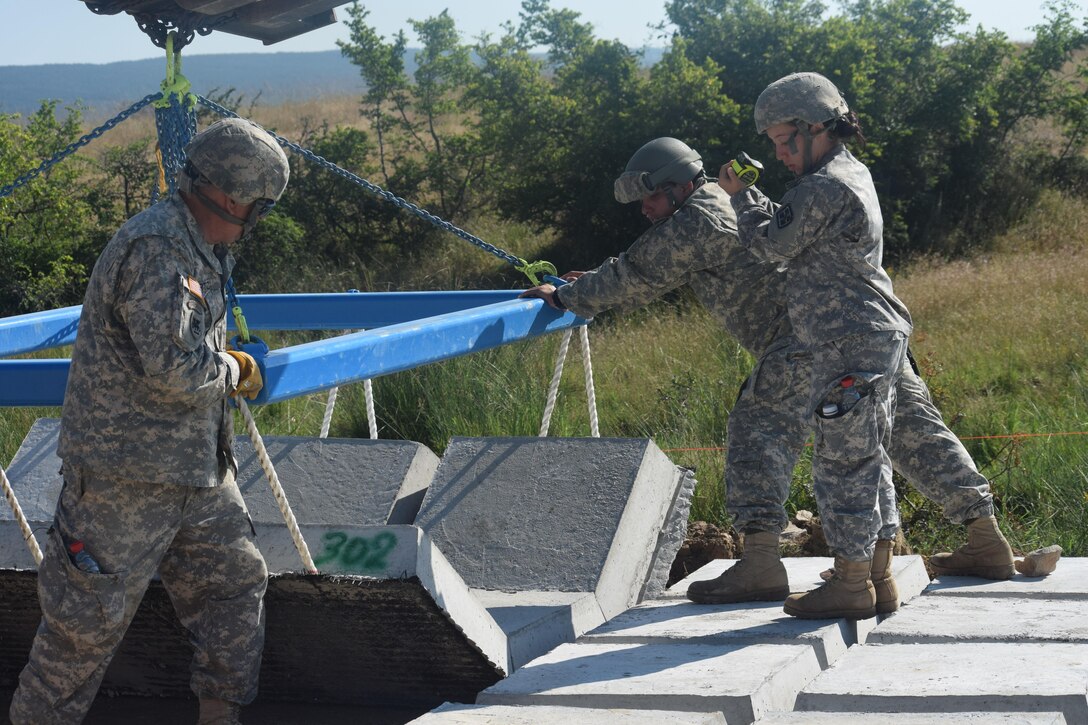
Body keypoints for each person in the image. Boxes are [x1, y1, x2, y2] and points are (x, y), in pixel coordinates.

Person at [521, 134, 1012, 615]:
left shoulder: (699, 218)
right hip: (863, 330)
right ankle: (985, 538)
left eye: (649, 197)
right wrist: (593, 281)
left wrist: (564, 297)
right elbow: (644, 263)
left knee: (757, 430)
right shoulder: (720, 204)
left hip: (804, 342)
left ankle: (760, 563)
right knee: (913, 431)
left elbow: (639, 273)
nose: (644, 208)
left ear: (677, 186)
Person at [8, 117, 289, 725]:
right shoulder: (159, 246)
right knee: (80, 636)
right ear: (224, 193)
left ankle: (219, 717)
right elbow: (175, 370)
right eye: (253, 207)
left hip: (196, 472)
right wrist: (238, 370)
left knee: (233, 592)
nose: (251, 221)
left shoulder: (197, 246)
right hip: (123, 481)